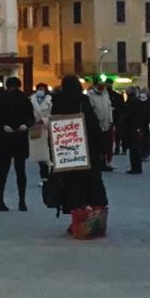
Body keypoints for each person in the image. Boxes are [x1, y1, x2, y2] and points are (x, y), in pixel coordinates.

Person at [48, 76, 109, 237]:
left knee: (72, 187)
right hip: (87, 152)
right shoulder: (83, 101)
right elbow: (93, 125)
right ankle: (92, 222)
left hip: (66, 152)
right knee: (92, 185)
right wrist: (100, 147)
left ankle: (77, 222)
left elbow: (53, 127)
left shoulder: (58, 102)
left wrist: (53, 153)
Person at [0, 77, 35, 212]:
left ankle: (0, 200)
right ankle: (21, 201)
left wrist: (2, 126)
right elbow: (31, 118)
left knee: (2, 172)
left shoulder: (0, 101)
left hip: (3, 138)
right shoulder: (25, 100)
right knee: (20, 171)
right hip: (20, 137)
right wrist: (25, 125)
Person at [123, 87, 150, 174]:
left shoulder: (128, 103)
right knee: (137, 148)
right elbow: (145, 116)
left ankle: (134, 167)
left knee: (133, 149)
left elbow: (126, 118)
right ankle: (138, 167)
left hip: (131, 128)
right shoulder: (139, 102)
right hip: (140, 127)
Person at [87, 78, 114, 171]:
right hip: (97, 124)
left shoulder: (106, 94)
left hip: (107, 124)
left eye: (103, 84)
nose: (102, 86)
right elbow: (91, 110)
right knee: (98, 145)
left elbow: (109, 107)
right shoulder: (90, 95)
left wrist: (111, 120)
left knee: (108, 144)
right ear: (95, 85)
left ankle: (108, 162)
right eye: (100, 84)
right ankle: (99, 162)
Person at [30, 83, 53, 183]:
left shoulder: (50, 100)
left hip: (47, 128)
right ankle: (44, 177)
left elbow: (52, 113)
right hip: (35, 127)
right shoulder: (31, 99)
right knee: (40, 154)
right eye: (38, 89)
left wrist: (44, 120)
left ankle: (50, 175)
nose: (40, 91)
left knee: (49, 152)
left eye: (42, 89)